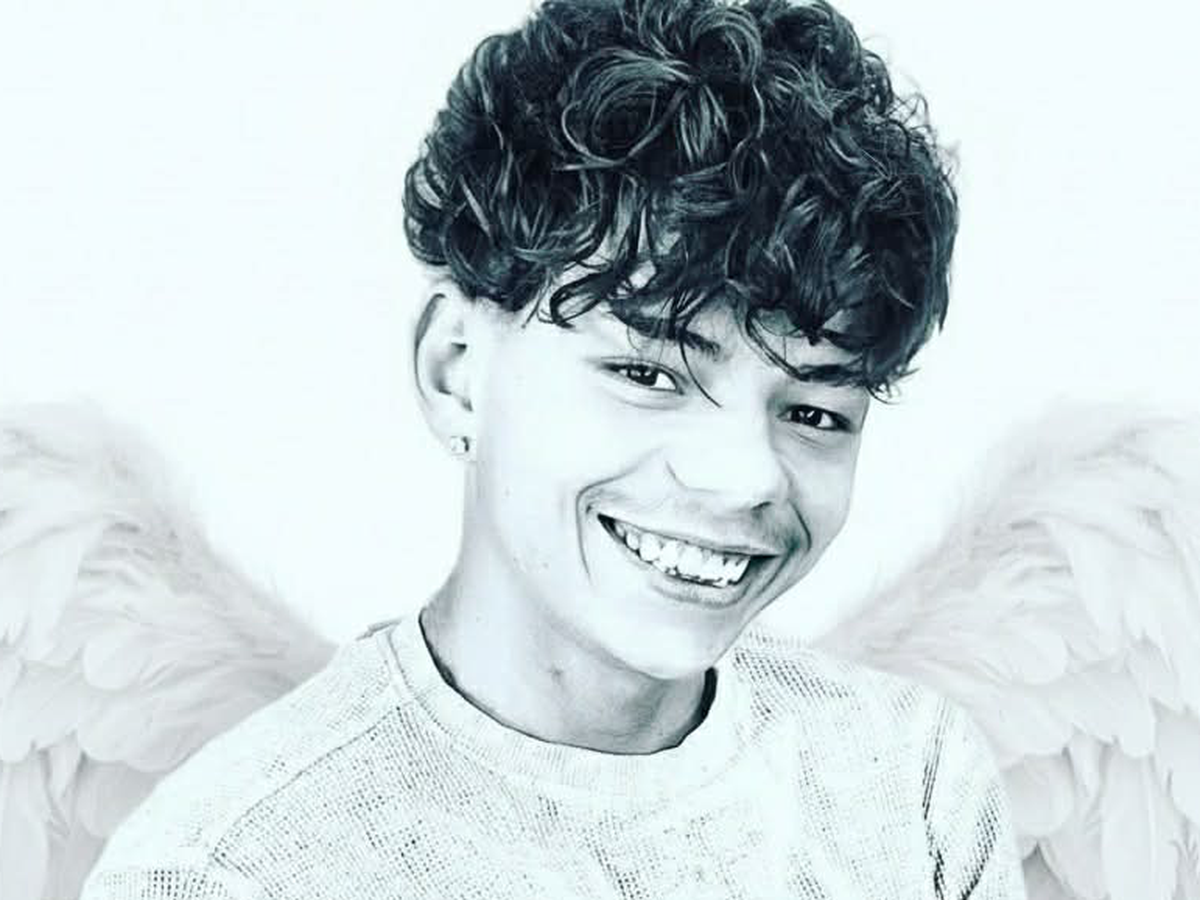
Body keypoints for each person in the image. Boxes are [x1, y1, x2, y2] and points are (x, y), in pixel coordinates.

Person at [81, 0, 1027, 897]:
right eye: (648, 372)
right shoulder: (232, 870)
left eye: (815, 412)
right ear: (456, 370)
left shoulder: (910, 786)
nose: (745, 477)